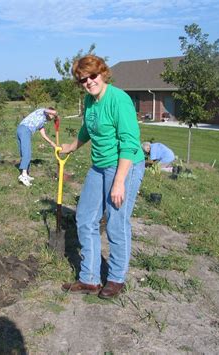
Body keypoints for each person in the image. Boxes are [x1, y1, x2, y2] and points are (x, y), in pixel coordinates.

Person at [60, 54, 145, 299]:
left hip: (124, 165)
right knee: (85, 219)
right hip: (99, 165)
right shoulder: (89, 101)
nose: (89, 82)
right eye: (83, 79)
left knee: (116, 222)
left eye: (92, 76)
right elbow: (88, 129)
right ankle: (90, 279)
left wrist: (119, 182)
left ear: (103, 73)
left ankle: (116, 278)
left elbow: (130, 143)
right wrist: (71, 146)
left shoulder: (119, 100)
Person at [16, 107, 59, 186]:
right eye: (52, 116)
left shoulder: (42, 122)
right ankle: (23, 176)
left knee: (24, 152)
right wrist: (56, 115)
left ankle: (25, 174)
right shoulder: (41, 112)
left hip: (21, 130)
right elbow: (52, 111)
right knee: (27, 153)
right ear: (49, 113)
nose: (52, 118)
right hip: (25, 129)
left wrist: (52, 143)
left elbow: (44, 135)